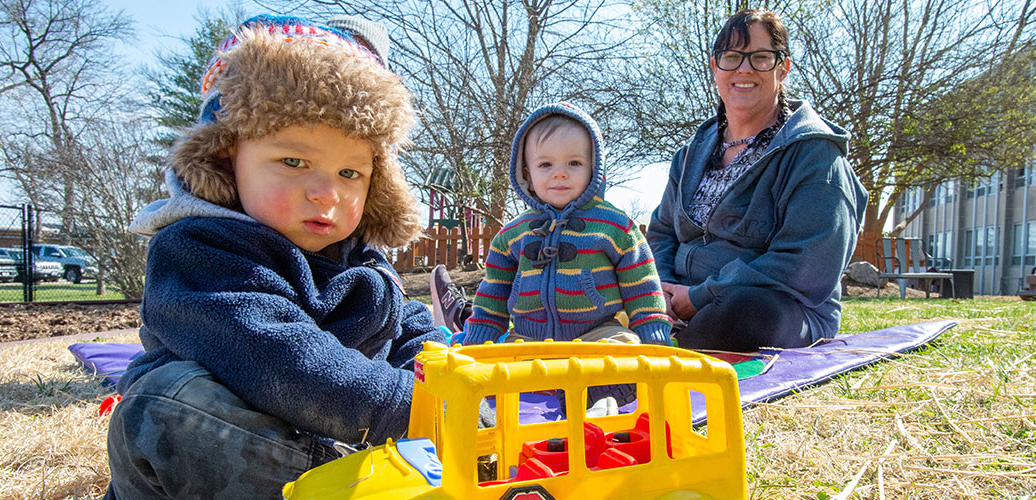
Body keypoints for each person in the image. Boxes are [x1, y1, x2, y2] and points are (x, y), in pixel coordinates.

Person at [103, 15, 440, 499]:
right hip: (231, 456)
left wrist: (453, 383)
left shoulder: (359, 261)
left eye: (350, 173)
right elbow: (279, 358)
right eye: (294, 162)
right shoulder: (201, 249)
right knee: (163, 402)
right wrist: (413, 407)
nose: (326, 193)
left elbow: (408, 330)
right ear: (225, 158)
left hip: (343, 445)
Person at [646, 9, 868, 353]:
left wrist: (700, 296)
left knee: (744, 313)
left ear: (783, 68)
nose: (744, 69)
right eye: (732, 58)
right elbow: (662, 232)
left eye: (761, 58)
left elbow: (803, 264)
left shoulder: (814, 153)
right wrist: (661, 289)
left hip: (778, 309)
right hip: (677, 303)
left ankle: (665, 356)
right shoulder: (691, 154)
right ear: (715, 68)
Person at [438, 103, 672, 347]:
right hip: (528, 337)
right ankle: (537, 386)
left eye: (574, 163)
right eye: (545, 165)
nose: (560, 173)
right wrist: (478, 341)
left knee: (624, 345)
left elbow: (643, 287)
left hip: (597, 333)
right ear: (526, 174)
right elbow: (492, 297)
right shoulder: (512, 235)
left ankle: (608, 384)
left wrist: (653, 335)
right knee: (504, 361)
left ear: (594, 168)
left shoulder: (615, 227)